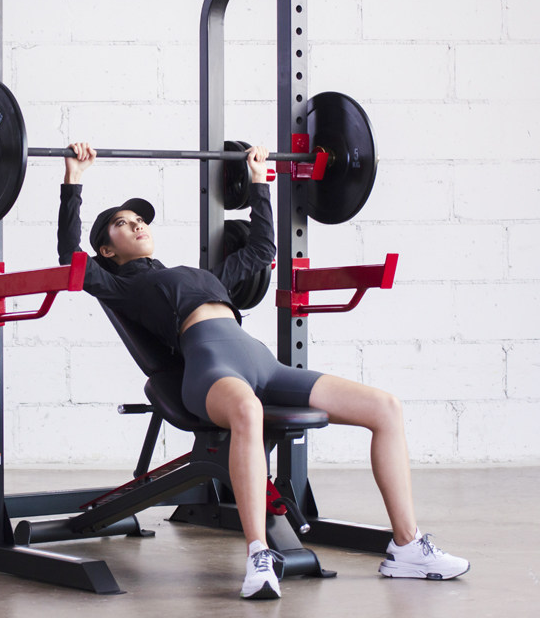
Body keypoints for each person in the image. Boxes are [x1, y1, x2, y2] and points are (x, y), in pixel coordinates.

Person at [58, 141, 469, 600]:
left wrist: (258, 180)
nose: (137, 225)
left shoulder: (200, 275)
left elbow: (260, 250)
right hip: (211, 371)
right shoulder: (120, 286)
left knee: (385, 407)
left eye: (139, 219)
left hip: (263, 364)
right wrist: (74, 178)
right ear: (106, 250)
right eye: (122, 223)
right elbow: (69, 259)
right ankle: (259, 554)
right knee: (248, 412)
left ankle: (407, 547)